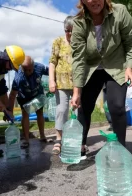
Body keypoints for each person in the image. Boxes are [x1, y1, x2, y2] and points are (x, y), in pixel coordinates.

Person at [70, 0, 132, 150]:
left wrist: (129, 68)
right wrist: (76, 91)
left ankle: (121, 149)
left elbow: (131, 41)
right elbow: (78, 58)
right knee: (84, 107)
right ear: (82, 1)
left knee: (117, 106)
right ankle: (79, 147)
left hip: (116, 66)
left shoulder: (119, 11)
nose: (94, 1)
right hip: (92, 68)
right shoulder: (79, 22)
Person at [9, 56, 49, 149]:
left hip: (37, 93)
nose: (28, 72)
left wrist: (53, 82)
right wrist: (10, 111)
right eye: (25, 70)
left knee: (40, 113)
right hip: (24, 96)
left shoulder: (40, 67)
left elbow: (51, 72)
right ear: (22, 68)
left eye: (30, 70)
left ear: (33, 65)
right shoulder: (18, 77)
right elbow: (12, 95)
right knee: (25, 114)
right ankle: (26, 139)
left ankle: (42, 136)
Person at [48, 16, 75, 155]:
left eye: (72, 30)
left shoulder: (80, 43)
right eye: (67, 30)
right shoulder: (58, 41)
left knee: (77, 112)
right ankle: (59, 139)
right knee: (62, 110)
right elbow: (52, 62)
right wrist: (51, 81)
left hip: (77, 84)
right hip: (62, 83)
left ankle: (77, 139)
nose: (69, 33)